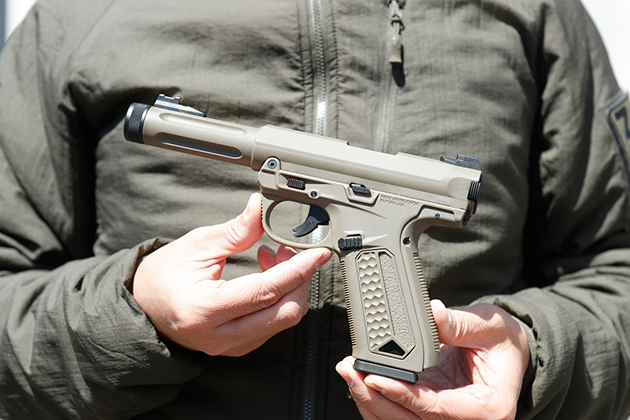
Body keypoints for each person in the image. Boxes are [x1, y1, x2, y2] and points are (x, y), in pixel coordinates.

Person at [0, 0, 629, 419]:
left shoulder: (537, 13)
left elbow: (616, 271)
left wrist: (533, 356)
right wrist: (135, 317)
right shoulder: (78, 16)